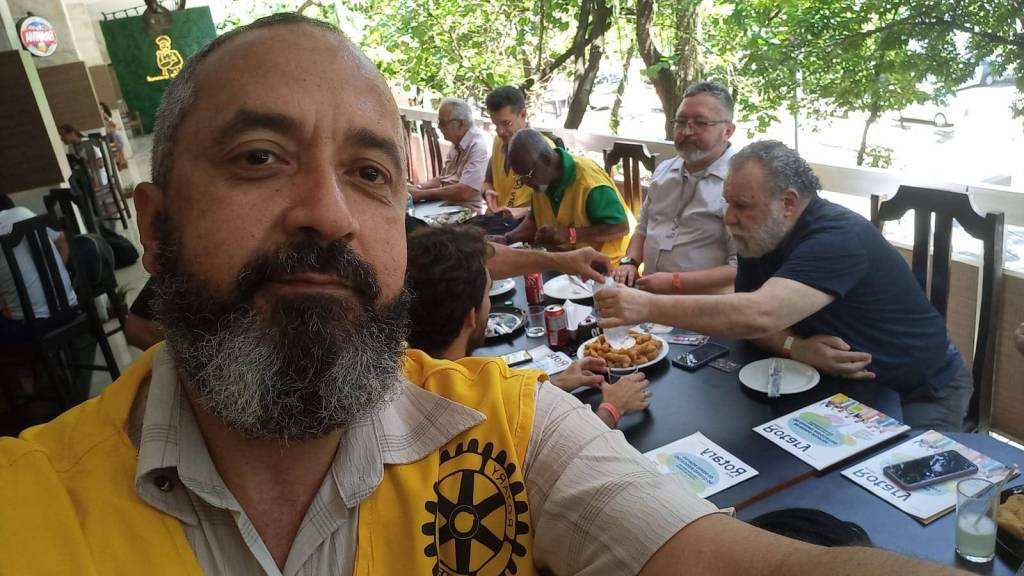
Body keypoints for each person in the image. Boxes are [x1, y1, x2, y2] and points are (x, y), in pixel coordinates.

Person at [0, 14, 969, 576]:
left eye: (370, 173)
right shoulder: (29, 507)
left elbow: (735, 561)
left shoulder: (508, 428)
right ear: (156, 226)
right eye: (259, 158)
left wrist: (634, 290)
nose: (328, 214)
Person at [595, 140, 972, 432]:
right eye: (727, 203)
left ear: (788, 202)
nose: (729, 218)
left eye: (742, 205)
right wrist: (796, 347)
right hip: (833, 389)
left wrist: (646, 305)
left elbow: (757, 315)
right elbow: (752, 320)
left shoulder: (838, 236)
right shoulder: (760, 234)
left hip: (917, 390)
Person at [407, 225, 650, 428]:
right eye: (488, 293)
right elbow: (565, 456)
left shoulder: (405, 374)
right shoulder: (478, 396)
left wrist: (556, 385)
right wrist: (612, 408)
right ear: (470, 317)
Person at [611, 82, 738, 295]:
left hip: (704, 307)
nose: (686, 131)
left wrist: (676, 282)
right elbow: (643, 228)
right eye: (680, 122)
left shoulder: (740, 184)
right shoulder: (664, 171)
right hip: (648, 297)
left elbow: (739, 267)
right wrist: (629, 262)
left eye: (700, 123)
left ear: (727, 131)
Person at [497, 128, 634, 262]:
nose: (525, 183)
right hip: (567, 260)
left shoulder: (589, 182)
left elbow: (620, 227)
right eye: (520, 178)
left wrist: (570, 235)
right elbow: (533, 221)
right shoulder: (540, 181)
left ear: (546, 160)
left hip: (605, 264)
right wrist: (507, 238)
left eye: (527, 176)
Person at [0, 193, 76, 343]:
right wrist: (56, 275)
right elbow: (63, 241)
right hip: (70, 307)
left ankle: (43, 357)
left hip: (29, 325)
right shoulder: (24, 212)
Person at [409, 98, 489, 212]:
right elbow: (443, 179)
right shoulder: (458, 141)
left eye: (442, 122)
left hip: (470, 212)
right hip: (448, 206)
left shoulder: (479, 146)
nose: (439, 127)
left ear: (460, 123)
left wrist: (421, 194)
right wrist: (417, 188)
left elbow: (465, 191)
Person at [481, 85, 547, 221]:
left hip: (526, 223)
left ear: (523, 114)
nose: (500, 131)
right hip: (496, 219)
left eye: (506, 123)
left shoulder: (542, 149)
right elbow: (487, 182)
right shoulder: (498, 142)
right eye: (496, 125)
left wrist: (524, 211)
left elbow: (553, 206)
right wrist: (487, 192)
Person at [59, 124, 109, 190]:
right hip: (84, 178)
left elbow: (100, 163)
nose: (61, 139)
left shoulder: (88, 143)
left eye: (63, 135)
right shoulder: (71, 147)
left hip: (98, 178)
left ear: (72, 133)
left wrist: (84, 167)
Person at [100, 101, 130, 169]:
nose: (101, 111)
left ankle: (120, 159)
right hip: (105, 136)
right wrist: (108, 130)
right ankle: (122, 160)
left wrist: (108, 118)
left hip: (112, 135)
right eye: (99, 109)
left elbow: (115, 125)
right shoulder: (98, 119)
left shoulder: (107, 117)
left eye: (102, 109)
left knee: (117, 135)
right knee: (116, 136)